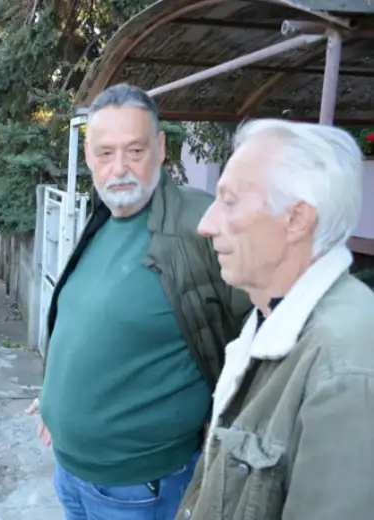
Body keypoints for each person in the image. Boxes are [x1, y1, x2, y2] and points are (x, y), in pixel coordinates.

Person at [26, 83, 252, 520]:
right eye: (105, 153)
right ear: (89, 155)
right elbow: (84, 322)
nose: (120, 169)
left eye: (135, 150)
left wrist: (224, 418)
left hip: (139, 487)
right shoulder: (103, 217)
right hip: (73, 474)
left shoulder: (201, 224)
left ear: (161, 147)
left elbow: (264, 329)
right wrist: (57, 397)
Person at [176, 119, 374, 520]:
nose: (205, 224)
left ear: (297, 220)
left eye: (229, 201)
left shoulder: (345, 373)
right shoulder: (271, 319)